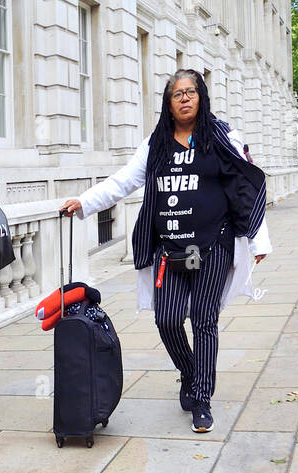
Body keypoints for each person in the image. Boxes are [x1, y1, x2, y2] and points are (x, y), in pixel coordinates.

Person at [60, 69, 269, 435]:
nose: (185, 98)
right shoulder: (155, 144)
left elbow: (244, 184)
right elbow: (123, 180)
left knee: (204, 320)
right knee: (168, 319)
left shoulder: (221, 137)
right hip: (169, 249)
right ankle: (189, 372)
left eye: (191, 92)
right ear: (168, 103)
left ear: (201, 97)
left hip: (213, 244)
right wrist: (84, 202)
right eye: (177, 94)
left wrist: (258, 240)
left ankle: (201, 399)